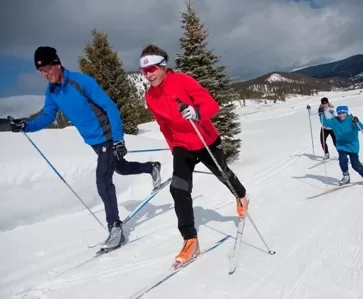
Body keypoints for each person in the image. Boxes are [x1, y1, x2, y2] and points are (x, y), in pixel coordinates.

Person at [8, 46, 162, 250]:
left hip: (107, 136)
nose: (45, 75)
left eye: (47, 69)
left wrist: (117, 140)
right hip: (94, 142)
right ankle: (152, 167)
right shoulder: (52, 91)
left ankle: (115, 228)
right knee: (120, 168)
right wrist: (26, 126)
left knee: (102, 180)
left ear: (57, 64)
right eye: (41, 72)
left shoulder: (81, 82)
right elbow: (47, 117)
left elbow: (110, 107)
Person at [138, 44, 249, 266]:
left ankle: (241, 195)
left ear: (162, 66)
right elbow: (163, 126)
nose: (148, 74)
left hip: (204, 138)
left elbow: (211, 105)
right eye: (144, 71)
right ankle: (190, 239)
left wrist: (197, 112)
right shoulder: (150, 97)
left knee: (222, 173)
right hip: (181, 145)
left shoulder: (183, 81)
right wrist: (174, 148)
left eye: (152, 69)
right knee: (178, 189)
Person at [321, 105, 363, 187]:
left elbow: (361, 127)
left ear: (346, 113)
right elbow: (325, 122)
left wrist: (357, 122)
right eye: (339, 113)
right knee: (342, 160)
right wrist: (321, 113)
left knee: (355, 164)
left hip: (352, 145)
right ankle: (346, 177)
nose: (341, 115)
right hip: (341, 145)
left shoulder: (351, 119)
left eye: (343, 113)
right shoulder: (335, 121)